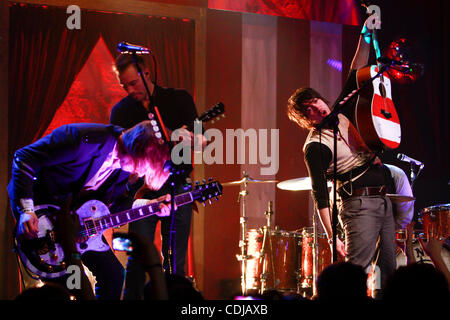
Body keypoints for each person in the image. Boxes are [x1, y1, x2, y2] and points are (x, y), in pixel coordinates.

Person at [287, 14, 397, 293]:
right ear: (305, 119)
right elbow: (319, 195)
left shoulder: (341, 113)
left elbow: (356, 70)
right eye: (308, 109)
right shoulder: (315, 145)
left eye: (316, 100)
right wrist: (330, 236)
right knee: (355, 276)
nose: (317, 107)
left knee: (388, 272)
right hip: (357, 206)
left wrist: (365, 31)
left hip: (382, 199)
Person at [8, 121, 172, 299]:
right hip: (44, 219)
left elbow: (111, 206)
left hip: (78, 225)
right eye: (143, 165)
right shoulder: (81, 140)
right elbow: (23, 157)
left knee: (114, 276)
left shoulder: (123, 169)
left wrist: (149, 206)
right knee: (74, 284)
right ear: (136, 147)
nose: (140, 173)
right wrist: (27, 209)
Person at [110, 53, 205, 299]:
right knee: (137, 260)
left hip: (178, 187)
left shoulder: (178, 99)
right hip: (142, 192)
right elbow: (120, 153)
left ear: (146, 73)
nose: (130, 90)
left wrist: (187, 138)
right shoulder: (120, 111)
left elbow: (202, 142)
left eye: (133, 83)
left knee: (176, 262)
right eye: (125, 85)